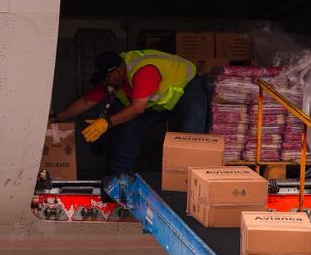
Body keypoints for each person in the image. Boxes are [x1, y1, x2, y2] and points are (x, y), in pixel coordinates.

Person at [51, 49, 209, 181]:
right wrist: (57, 117)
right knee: (127, 136)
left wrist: (106, 123)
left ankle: (187, 187)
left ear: (119, 71)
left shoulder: (143, 71)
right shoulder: (114, 81)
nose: (105, 83)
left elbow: (138, 108)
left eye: (106, 78)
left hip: (187, 89)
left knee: (190, 137)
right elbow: (86, 101)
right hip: (155, 104)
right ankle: (119, 186)